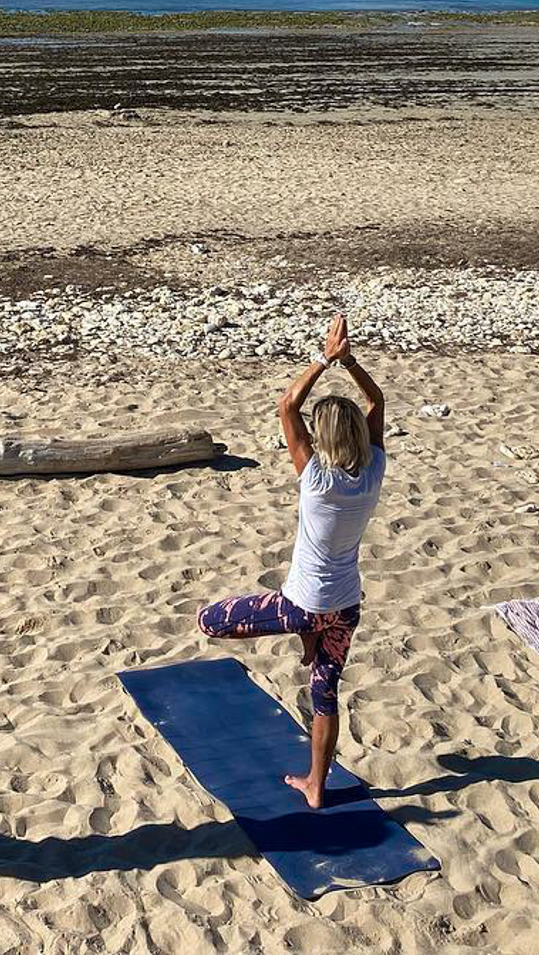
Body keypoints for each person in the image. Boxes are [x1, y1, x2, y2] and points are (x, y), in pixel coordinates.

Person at [197, 313, 385, 809]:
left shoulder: (316, 478)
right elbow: (377, 403)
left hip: (301, 604)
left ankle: (303, 631)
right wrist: (352, 362)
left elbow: (287, 404)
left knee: (209, 621)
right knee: (324, 693)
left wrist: (327, 358)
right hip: (346, 606)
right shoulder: (373, 471)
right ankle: (316, 786)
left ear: (321, 440)